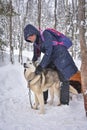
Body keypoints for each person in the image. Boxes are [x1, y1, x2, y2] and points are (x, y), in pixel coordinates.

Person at [24, 24, 78, 105]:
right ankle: (43, 100)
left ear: (35, 32)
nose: (30, 38)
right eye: (28, 38)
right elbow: (36, 56)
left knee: (64, 79)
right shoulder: (36, 44)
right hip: (51, 58)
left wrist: (41, 66)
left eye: (31, 35)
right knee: (45, 75)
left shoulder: (46, 34)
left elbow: (49, 51)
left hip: (61, 55)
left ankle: (64, 103)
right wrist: (30, 66)